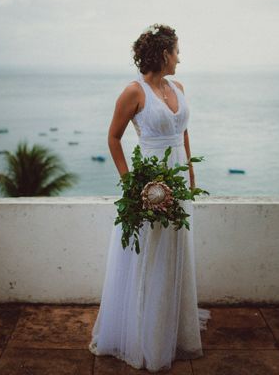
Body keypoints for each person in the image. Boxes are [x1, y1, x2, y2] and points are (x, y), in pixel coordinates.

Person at [88, 23, 211, 372]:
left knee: (175, 250)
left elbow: (183, 132)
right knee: (151, 253)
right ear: (162, 54)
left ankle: (174, 329)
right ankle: (147, 335)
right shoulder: (133, 92)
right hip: (150, 183)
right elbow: (113, 138)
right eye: (176, 51)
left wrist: (189, 169)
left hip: (177, 179)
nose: (179, 58)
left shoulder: (178, 87)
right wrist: (131, 183)